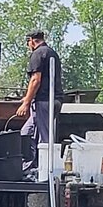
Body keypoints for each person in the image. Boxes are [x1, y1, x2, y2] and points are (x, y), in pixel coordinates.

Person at [15, 30, 63, 170]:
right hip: (54, 99)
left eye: (27, 43)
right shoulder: (52, 53)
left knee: (44, 137)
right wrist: (28, 97)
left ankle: (46, 171)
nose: (28, 45)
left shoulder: (37, 54)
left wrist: (26, 103)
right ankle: (29, 167)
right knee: (26, 132)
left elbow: (36, 80)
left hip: (44, 101)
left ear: (31, 40)